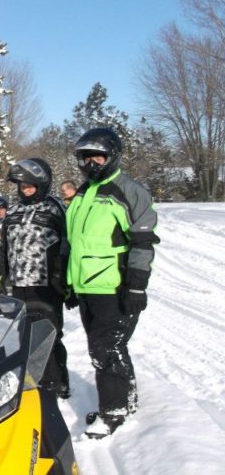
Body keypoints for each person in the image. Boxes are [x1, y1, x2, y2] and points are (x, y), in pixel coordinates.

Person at [66, 128, 159, 438]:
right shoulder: (83, 192)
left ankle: (114, 413)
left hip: (114, 287)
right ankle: (125, 400)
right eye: (85, 158)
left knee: (106, 349)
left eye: (97, 157)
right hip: (87, 286)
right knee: (105, 348)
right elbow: (74, 242)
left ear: (112, 157)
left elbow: (143, 242)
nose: (91, 163)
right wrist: (67, 281)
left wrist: (136, 285)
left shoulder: (129, 191)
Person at [0, 158, 70, 399]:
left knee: (48, 335)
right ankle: (32, 380)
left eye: (31, 185)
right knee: (24, 335)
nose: (25, 188)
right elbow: (4, 246)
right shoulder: (13, 210)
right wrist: (0, 274)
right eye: (22, 185)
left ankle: (56, 385)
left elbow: (68, 245)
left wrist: (65, 279)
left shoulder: (55, 208)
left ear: (42, 184)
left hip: (46, 285)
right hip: (18, 284)